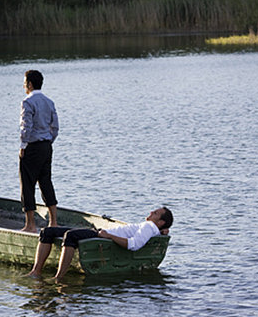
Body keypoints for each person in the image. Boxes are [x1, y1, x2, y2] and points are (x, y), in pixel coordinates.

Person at [27, 207, 174, 281]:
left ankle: (58, 278)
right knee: (48, 232)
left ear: (160, 222)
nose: (151, 212)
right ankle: (37, 271)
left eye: (155, 213)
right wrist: (161, 232)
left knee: (70, 236)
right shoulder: (153, 228)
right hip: (103, 233)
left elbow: (134, 244)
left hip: (102, 235)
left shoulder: (149, 227)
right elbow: (147, 236)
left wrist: (108, 235)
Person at [19, 70, 59, 232]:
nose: (24, 86)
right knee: (46, 182)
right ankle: (54, 222)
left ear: (29, 84)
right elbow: (55, 127)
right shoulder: (49, 102)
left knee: (27, 184)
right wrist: (48, 141)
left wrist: (23, 146)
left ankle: (30, 225)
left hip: (32, 147)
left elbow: (26, 127)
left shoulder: (27, 102)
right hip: (46, 146)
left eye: (24, 83)